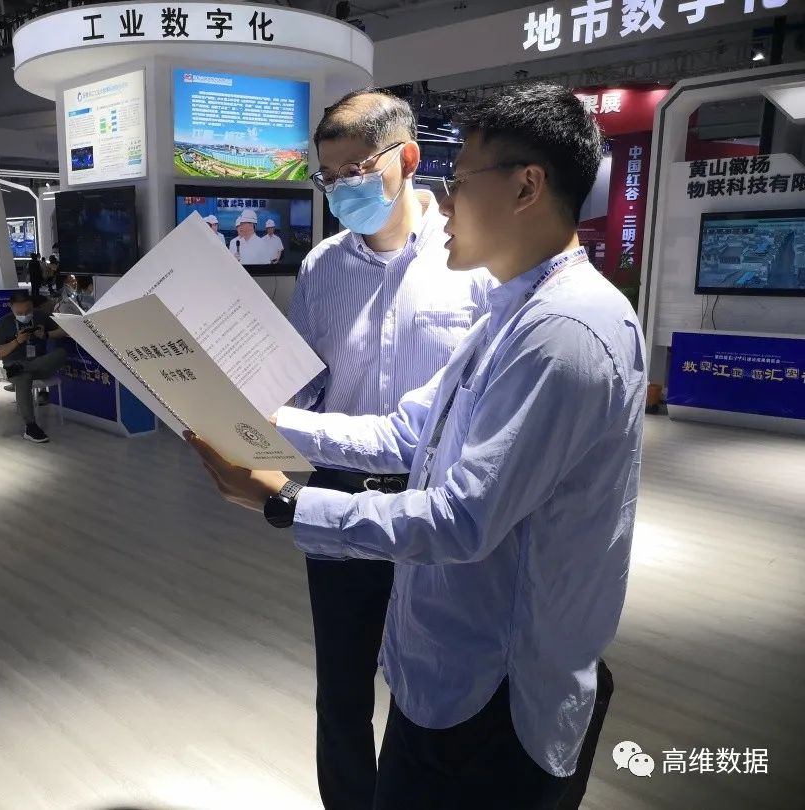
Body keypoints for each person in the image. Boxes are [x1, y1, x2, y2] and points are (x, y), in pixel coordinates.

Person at [190, 83, 646, 810]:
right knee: (345, 699)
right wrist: (260, 420)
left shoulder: (562, 334)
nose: (448, 202)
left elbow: (461, 521)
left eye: (461, 181)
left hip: (495, 690)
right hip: (450, 663)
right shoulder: (510, 313)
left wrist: (287, 505)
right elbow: (406, 432)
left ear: (526, 187)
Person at [286, 88, 494, 810]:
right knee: (341, 688)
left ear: (406, 159)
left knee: (433, 683)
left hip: (434, 498)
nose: (339, 190)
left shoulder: (472, 260)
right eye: (327, 177)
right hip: (339, 486)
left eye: (352, 172)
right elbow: (304, 382)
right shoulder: (322, 267)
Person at [0, 291, 68, 443]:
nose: (24, 315)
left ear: (32, 306)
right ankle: (31, 426)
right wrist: (17, 342)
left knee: (61, 353)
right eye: (19, 313)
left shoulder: (40, 316)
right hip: (14, 366)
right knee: (23, 378)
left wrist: (46, 335)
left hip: (38, 365)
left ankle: (22, 367)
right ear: (11, 308)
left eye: (28, 311)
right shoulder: (3, 323)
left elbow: (63, 331)